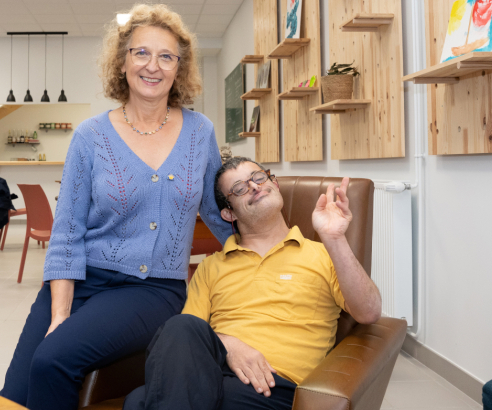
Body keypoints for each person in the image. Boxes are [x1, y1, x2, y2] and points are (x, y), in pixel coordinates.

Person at [0, 4, 233, 410]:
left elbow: (218, 213)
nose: (153, 66)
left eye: (166, 56)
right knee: (13, 396)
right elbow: (67, 232)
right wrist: (60, 314)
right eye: (141, 52)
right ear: (122, 62)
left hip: (151, 289)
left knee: (52, 361)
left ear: (180, 68)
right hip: (81, 278)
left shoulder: (200, 132)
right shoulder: (91, 136)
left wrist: (271, 251)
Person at [124, 157, 382, 410]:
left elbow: (369, 312)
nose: (255, 186)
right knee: (179, 328)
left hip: (274, 387)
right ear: (228, 213)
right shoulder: (211, 267)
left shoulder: (324, 255)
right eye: (239, 188)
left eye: (258, 177)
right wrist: (230, 345)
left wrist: (334, 238)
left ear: (275, 184)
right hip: (212, 374)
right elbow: (189, 338)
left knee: (141, 401)